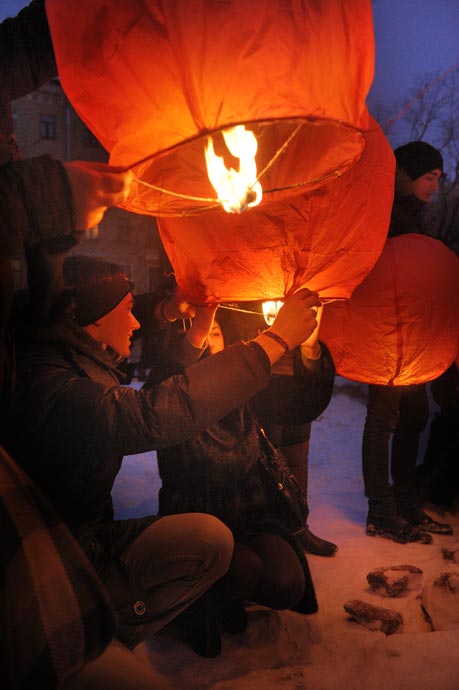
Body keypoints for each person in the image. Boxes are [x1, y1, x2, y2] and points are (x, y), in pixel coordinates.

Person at [3, 253, 321, 656]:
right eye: (129, 311)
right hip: (52, 560)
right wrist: (272, 343)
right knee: (226, 562)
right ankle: (99, 631)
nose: (137, 323)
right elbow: (155, 410)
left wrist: (306, 349)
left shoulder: (72, 358)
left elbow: (295, 404)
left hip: (89, 538)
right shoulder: (57, 389)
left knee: (272, 574)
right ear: (94, 319)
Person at [151, 311, 319, 655]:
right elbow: (169, 372)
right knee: (243, 567)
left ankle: (232, 591)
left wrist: (310, 346)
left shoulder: (244, 385)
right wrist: (201, 320)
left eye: (215, 332)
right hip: (196, 518)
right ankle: (207, 603)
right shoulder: (171, 397)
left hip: (249, 512)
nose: (209, 338)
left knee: (288, 583)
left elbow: (300, 401)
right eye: (200, 335)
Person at [362, 140, 453, 544]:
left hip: (411, 335)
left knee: (413, 416)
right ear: (409, 173)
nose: (435, 185)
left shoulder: (413, 215)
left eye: (438, 178)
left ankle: (406, 502)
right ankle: (380, 511)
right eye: (429, 177)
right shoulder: (384, 210)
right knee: (383, 419)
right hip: (385, 333)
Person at [218, 301, 338, 556]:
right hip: (257, 396)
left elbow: (313, 361)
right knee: (263, 465)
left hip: (297, 394)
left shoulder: (300, 288)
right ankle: (269, 535)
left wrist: (310, 347)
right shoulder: (242, 300)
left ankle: (297, 527)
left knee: (296, 459)